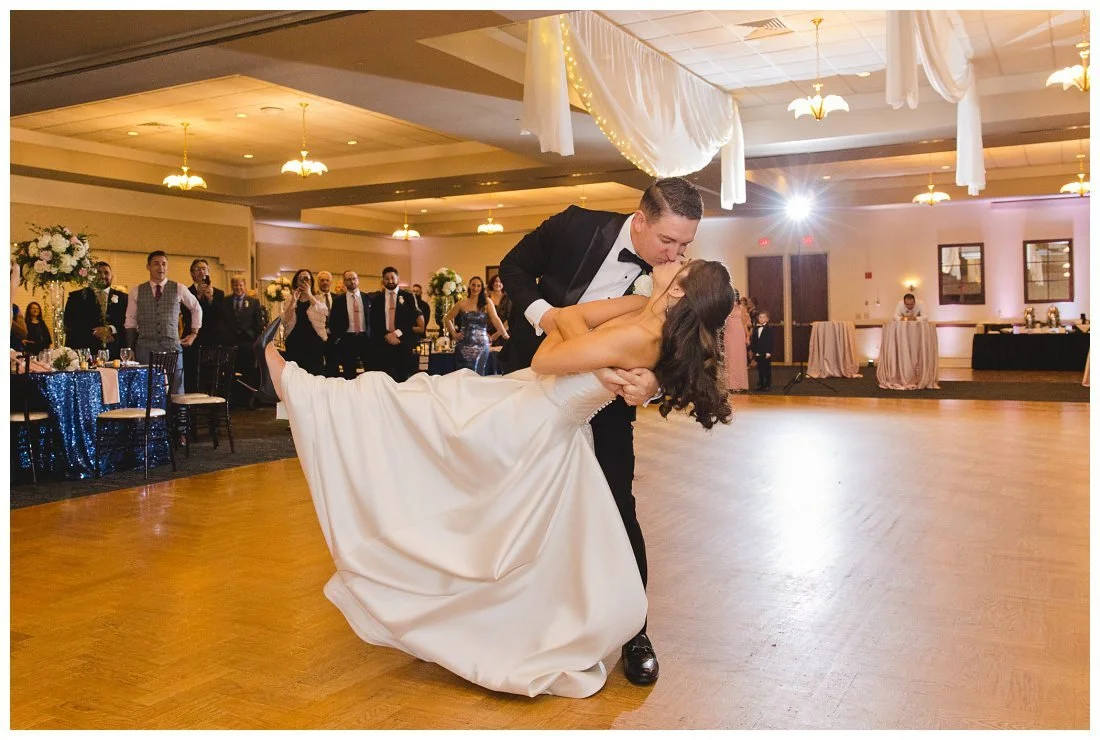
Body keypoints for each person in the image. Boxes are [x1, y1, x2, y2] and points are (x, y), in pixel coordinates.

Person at [264, 257, 734, 698]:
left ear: (678, 291)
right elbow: (566, 319)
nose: (677, 256)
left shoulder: (643, 335)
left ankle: (299, 388)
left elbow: (550, 355)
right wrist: (575, 330)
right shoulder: (639, 306)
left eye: (683, 262)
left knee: (414, 416)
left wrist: (574, 330)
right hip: (524, 399)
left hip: (534, 420)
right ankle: (301, 388)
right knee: (416, 407)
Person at [498, 176, 702, 686]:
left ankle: (636, 632)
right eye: (667, 242)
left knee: (617, 507)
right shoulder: (574, 226)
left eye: (685, 245)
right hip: (535, 385)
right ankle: (513, 615)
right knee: (520, 502)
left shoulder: (673, 277)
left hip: (607, 404)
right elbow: (514, 268)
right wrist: (546, 317)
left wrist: (652, 381)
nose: (674, 255)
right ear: (640, 220)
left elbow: (683, 348)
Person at [124, 250, 202, 395]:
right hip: (145, 348)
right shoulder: (136, 291)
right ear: (148, 266)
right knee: (147, 389)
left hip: (172, 347)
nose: (161, 268)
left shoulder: (179, 288)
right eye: (156, 264)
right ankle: (151, 418)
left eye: (164, 264)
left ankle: (176, 418)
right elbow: (130, 321)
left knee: (176, 389)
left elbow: (196, 308)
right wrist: (130, 348)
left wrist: (194, 333)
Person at [182, 259, 233, 393]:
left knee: (213, 374)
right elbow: (187, 316)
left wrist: (210, 299)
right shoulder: (186, 293)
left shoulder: (219, 293)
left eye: (204, 269)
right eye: (198, 269)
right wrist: (198, 297)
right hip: (194, 339)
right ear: (192, 273)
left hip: (214, 339)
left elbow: (222, 317)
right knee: (193, 373)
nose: (201, 272)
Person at [366, 266, 422, 382]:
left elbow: (411, 319)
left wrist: (396, 333)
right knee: (384, 378)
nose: (390, 281)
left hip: (402, 342)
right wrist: (387, 335)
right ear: (383, 280)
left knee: (402, 377)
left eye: (392, 278)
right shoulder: (377, 299)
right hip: (383, 343)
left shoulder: (408, 296)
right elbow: (374, 321)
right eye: (387, 278)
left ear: (398, 279)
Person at [443, 276, 508, 375]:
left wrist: (504, 334)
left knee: (479, 373)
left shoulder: (487, 302)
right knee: (462, 374)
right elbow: (447, 319)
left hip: (481, 345)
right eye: (473, 285)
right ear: (469, 286)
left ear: (482, 288)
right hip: (463, 345)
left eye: (478, 286)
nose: (475, 288)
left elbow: (495, 319)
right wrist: (454, 334)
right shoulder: (462, 303)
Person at [63, 261, 129, 359]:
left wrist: (110, 329)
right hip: (85, 353)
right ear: (91, 276)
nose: (102, 276)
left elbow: (129, 322)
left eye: (106, 273)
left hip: (115, 353)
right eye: (98, 272)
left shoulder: (124, 298)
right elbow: (69, 323)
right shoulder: (76, 297)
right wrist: (94, 332)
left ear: (112, 277)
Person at [280, 268, 328, 375]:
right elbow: (285, 320)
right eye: (301, 279)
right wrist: (293, 301)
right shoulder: (290, 299)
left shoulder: (318, 298)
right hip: (295, 341)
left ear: (311, 282)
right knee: (295, 375)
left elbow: (324, 312)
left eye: (307, 279)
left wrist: (309, 295)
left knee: (314, 373)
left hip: (314, 341)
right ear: (296, 282)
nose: (304, 281)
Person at [223, 275, 265, 390]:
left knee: (249, 372)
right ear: (232, 286)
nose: (238, 288)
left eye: (240, 285)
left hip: (247, 343)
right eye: (235, 285)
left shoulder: (254, 302)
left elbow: (258, 324)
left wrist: (255, 341)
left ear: (244, 286)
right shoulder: (225, 301)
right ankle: (231, 397)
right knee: (230, 371)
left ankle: (249, 399)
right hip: (230, 343)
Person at [328, 270, 371, 380]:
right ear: (344, 282)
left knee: (370, 370)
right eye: (348, 279)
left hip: (365, 338)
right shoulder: (338, 300)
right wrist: (339, 337)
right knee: (349, 372)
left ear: (358, 280)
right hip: (347, 339)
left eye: (354, 279)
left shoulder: (367, 298)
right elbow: (333, 321)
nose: (352, 281)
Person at [724, 291, 750, 393]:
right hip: (728, 334)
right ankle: (729, 385)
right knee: (729, 359)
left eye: (735, 295)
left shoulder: (742, 308)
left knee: (740, 358)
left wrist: (747, 336)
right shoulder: (725, 307)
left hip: (739, 334)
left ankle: (740, 384)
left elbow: (744, 324)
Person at [315, 271, 340, 377]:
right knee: (318, 368)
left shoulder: (338, 298)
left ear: (330, 282)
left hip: (334, 339)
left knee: (333, 368)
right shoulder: (313, 298)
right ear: (318, 282)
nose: (325, 282)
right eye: (322, 280)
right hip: (317, 338)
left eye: (327, 280)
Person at [749, 310, 776, 391]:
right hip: (758, 351)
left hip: (766, 352)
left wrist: (769, 352)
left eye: (763, 317)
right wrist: (754, 351)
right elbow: (754, 340)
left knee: (767, 369)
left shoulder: (769, 329)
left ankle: (767, 384)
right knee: (760, 369)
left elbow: (771, 341)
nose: (761, 319)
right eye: (760, 317)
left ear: (767, 319)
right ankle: (761, 384)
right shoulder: (756, 328)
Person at [486, 274, 512, 348]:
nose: (498, 284)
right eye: (496, 281)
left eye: (500, 282)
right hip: (486, 335)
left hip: (503, 335)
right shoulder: (486, 299)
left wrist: (497, 334)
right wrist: (486, 334)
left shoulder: (508, 299)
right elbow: (481, 317)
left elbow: (509, 319)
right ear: (492, 283)